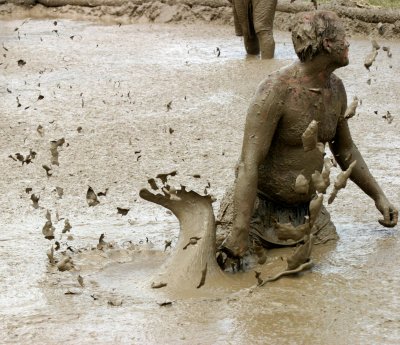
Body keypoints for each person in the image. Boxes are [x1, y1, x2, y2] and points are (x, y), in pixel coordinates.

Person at [219, 11, 398, 258]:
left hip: (305, 213)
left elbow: (345, 150)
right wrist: (239, 230)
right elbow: (248, 163)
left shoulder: (336, 89)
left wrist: (379, 197)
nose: (348, 43)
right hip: (257, 212)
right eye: (344, 37)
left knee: (323, 261)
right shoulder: (275, 90)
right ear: (327, 44)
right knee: (234, 270)